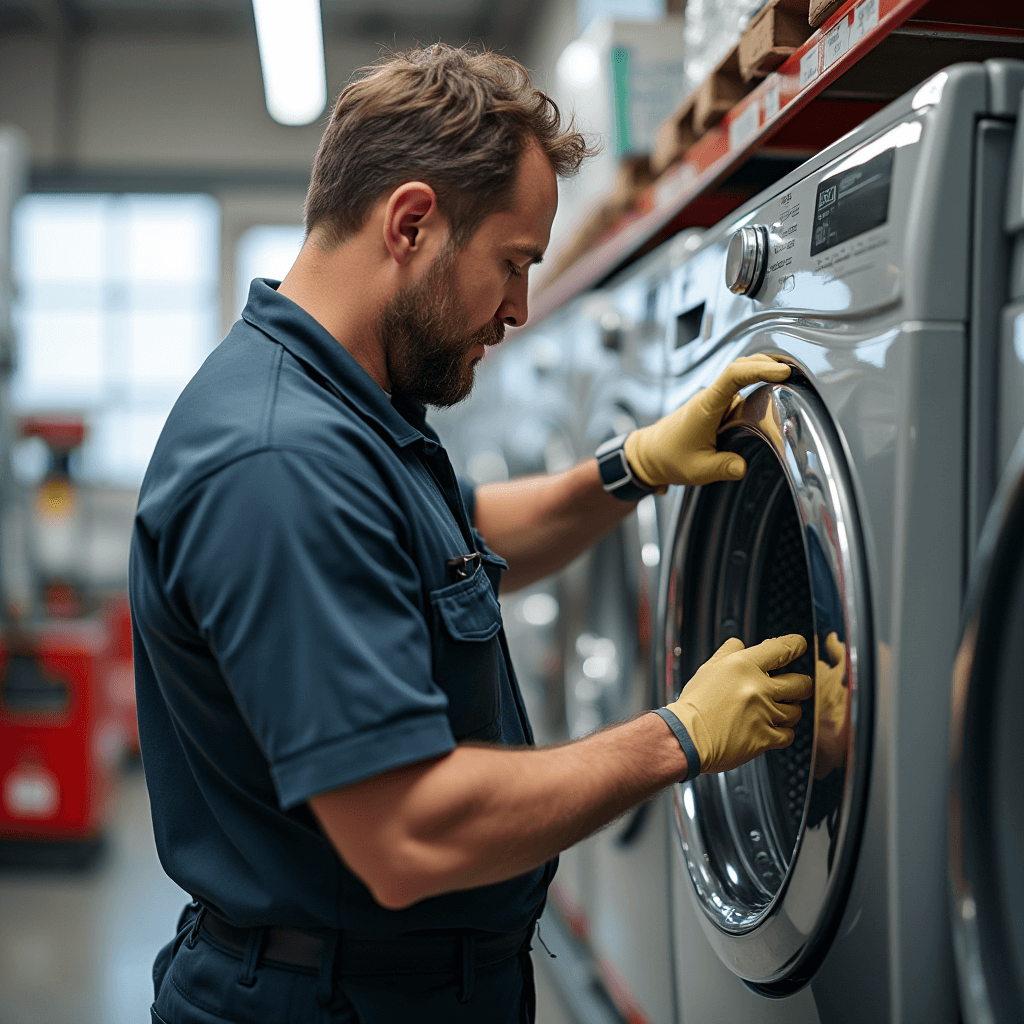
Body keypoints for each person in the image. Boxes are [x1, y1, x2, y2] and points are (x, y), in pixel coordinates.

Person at [132, 44, 811, 1024]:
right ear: (411, 222)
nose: (519, 311)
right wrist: (678, 735)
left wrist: (631, 467)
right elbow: (406, 833)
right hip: (331, 1000)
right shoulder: (279, 461)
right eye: (513, 263)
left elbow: (449, 544)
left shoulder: (352, 409)